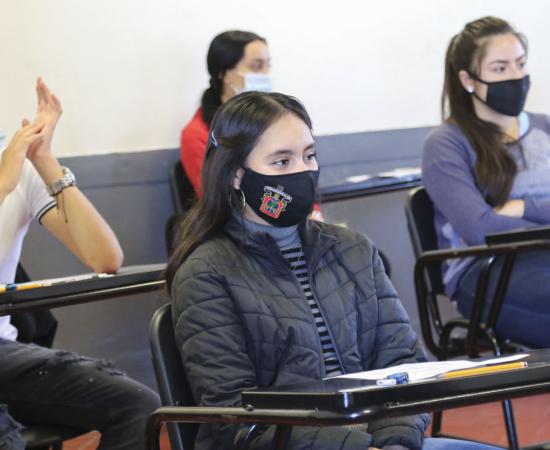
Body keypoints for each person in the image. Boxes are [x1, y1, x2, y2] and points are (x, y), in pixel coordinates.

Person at [167, 91, 500, 450]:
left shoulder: (353, 249)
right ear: (237, 175)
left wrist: (395, 442)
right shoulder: (206, 273)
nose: (302, 171)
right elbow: (234, 415)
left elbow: (404, 363)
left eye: (309, 156)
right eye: (281, 162)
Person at [0, 78, 160, 449]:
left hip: (5, 352)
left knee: (138, 408)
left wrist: (44, 161)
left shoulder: (14, 165)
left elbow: (105, 257)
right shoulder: (7, 175)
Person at [422, 16, 550, 348]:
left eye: (520, 63)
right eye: (500, 68)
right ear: (468, 79)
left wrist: (523, 207)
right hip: (485, 271)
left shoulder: (545, 127)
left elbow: (498, 220)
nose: (516, 76)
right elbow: (481, 228)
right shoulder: (446, 144)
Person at [180, 30, 271, 198]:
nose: (266, 75)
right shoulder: (197, 135)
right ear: (225, 74)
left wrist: (310, 210)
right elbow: (219, 199)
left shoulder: (274, 122)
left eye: (268, 65)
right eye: (257, 66)